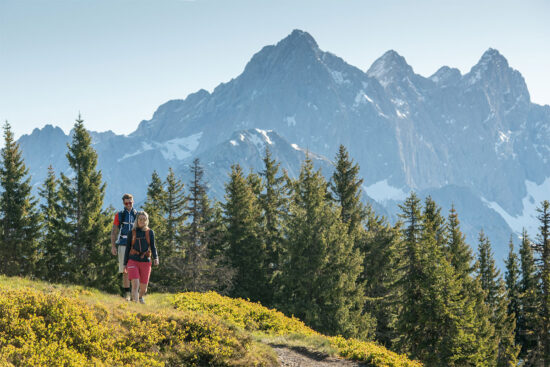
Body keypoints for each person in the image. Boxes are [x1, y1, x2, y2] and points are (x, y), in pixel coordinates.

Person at [124, 211, 159, 303]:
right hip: (132, 260)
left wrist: (156, 258)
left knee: (143, 288)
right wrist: (125, 264)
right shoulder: (131, 233)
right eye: (140, 219)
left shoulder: (150, 232)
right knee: (135, 284)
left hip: (145, 261)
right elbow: (127, 248)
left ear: (147, 220)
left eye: (144, 219)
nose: (142, 221)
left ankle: (139, 297)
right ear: (137, 220)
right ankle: (135, 305)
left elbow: (153, 246)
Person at [111, 193, 137, 300]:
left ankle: (135, 294)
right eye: (126, 203)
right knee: (125, 269)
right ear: (123, 203)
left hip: (136, 245)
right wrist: (113, 246)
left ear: (133, 202)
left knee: (136, 269)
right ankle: (127, 294)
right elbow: (114, 231)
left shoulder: (138, 214)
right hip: (123, 244)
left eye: (130, 202)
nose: (128, 204)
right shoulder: (119, 215)